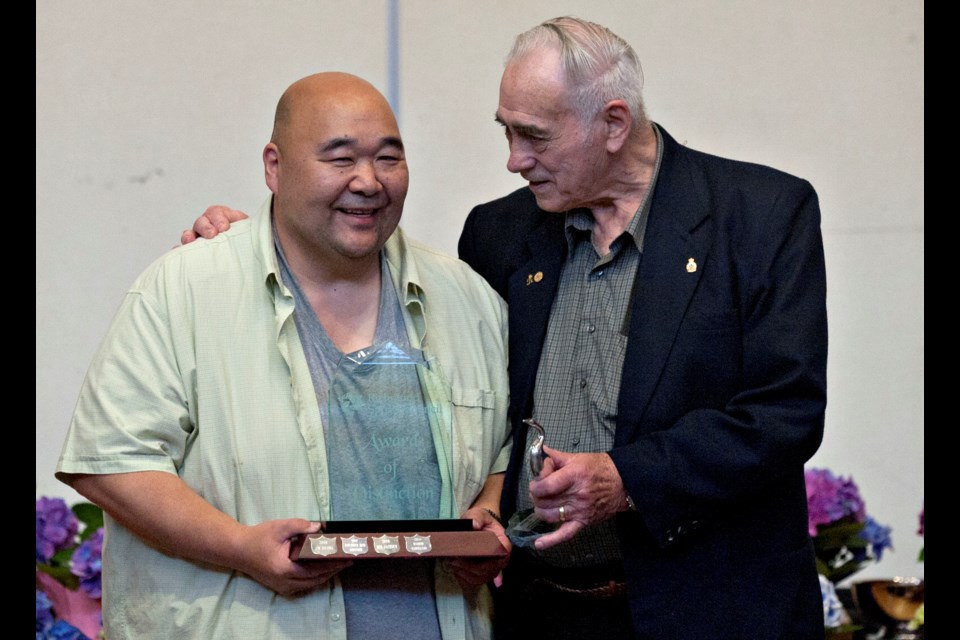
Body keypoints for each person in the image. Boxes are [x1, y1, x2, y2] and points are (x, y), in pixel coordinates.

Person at [185, 16, 828, 640]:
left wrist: (627, 479)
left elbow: (785, 413)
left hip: (712, 607)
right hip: (541, 611)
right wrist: (262, 241)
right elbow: (423, 334)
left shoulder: (761, 215)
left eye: (535, 136)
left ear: (613, 123)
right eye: (506, 132)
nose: (514, 160)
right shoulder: (500, 232)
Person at [56, 71, 512, 640]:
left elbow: (501, 451)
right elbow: (111, 462)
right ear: (274, 166)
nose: (368, 182)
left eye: (388, 158)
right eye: (339, 159)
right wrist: (240, 547)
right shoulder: (186, 289)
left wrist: (488, 516)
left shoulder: (469, 300)